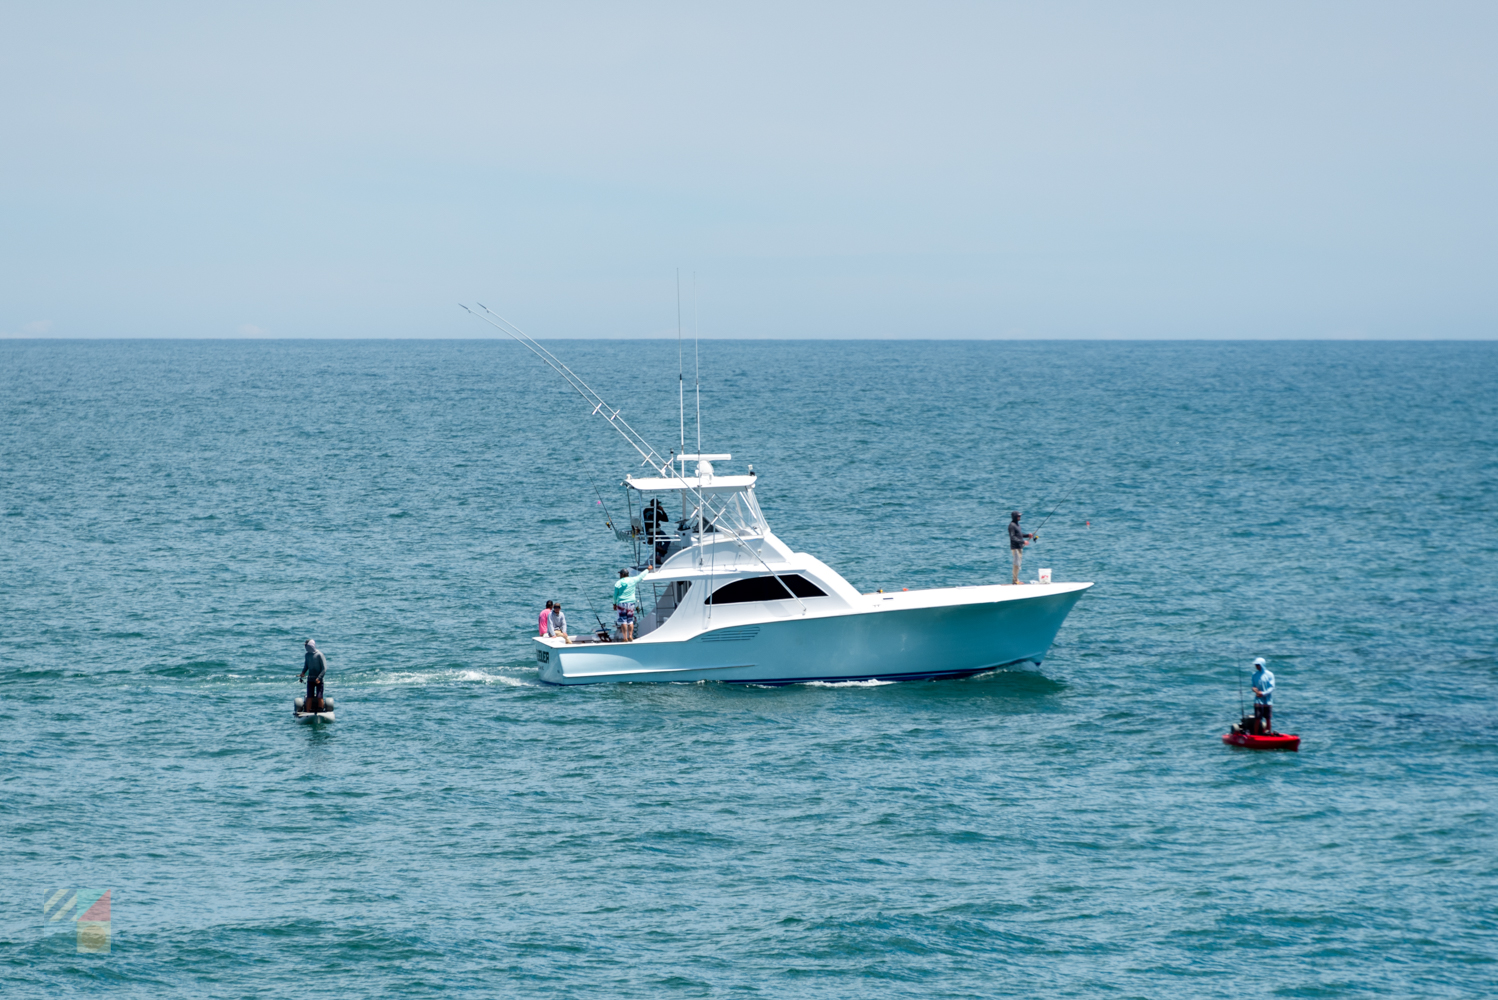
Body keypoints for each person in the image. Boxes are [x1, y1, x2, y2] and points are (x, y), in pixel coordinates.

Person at [298, 639, 327, 712]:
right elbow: (306, 666)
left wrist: (319, 678)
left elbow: (324, 668)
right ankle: (307, 712)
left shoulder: (319, 655)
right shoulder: (307, 655)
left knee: (319, 696)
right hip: (310, 679)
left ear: (310, 645)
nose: (305, 647)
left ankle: (320, 711)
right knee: (309, 696)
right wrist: (303, 672)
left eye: (306, 645)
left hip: (319, 680)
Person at [613, 568, 643, 642]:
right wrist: (648, 570)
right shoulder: (633, 580)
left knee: (623, 621)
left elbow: (615, 595)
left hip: (621, 604)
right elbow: (641, 576)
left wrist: (614, 604)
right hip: (631, 603)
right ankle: (630, 636)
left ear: (622, 574)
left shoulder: (618, 583)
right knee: (630, 621)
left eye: (620, 574)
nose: (619, 575)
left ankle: (625, 638)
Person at [1008, 511, 1035, 585]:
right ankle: (1015, 581)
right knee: (1016, 564)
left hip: (1019, 547)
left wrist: (1027, 535)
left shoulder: (1017, 525)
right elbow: (1012, 537)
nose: (1020, 517)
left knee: (1018, 564)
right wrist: (1023, 542)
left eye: (1020, 516)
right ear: (1014, 517)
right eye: (1018, 516)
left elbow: (1020, 535)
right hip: (1015, 547)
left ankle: (1016, 580)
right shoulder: (1011, 525)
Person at [1251, 657, 1275, 734]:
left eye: (1258, 665)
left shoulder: (1270, 674)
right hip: (1258, 700)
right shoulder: (1254, 675)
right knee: (1257, 718)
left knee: (1268, 718)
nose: (1256, 666)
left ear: (1262, 665)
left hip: (1268, 700)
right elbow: (1253, 686)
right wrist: (1255, 690)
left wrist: (1263, 693)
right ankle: (1255, 734)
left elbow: (1272, 688)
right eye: (1256, 665)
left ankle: (1268, 734)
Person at [643, 500, 671, 566]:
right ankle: (658, 556)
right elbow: (666, 519)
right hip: (655, 531)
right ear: (657, 505)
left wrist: (656, 522)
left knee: (658, 541)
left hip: (647, 531)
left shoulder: (645, 510)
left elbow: (647, 519)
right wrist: (662, 510)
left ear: (650, 504)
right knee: (667, 541)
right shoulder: (657, 512)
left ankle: (658, 554)